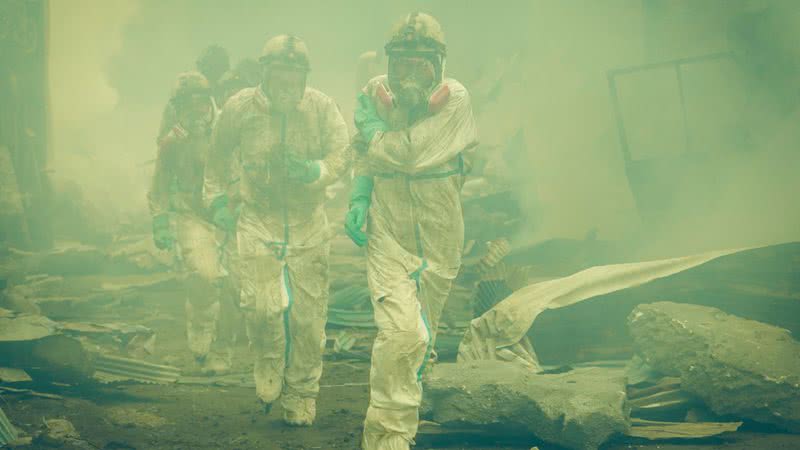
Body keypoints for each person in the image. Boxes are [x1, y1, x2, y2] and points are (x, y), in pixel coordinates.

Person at [344, 12, 478, 449]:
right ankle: (388, 437)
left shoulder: (455, 98)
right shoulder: (374, 93)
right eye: (402, 62)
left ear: (439, 63)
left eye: (422, 63)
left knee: (424, 337)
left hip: (440, 233)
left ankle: (408, 404)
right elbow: (363, 152)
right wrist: (360, 195)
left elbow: (411, 154)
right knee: (402, 334)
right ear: (389, 62)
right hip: (389, 230)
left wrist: (375, 130)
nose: (410, 74)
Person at [204, 34, 350, 426]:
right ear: (263, 73)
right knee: (263, 307)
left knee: (308, 320)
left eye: (294, 74)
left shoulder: (321, 107)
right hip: (258, 219)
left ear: (304, 76)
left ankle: (301, 393)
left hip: (309, 223)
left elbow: (342, 153)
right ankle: (269, 359)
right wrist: (218, 202)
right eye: (278, 73)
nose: (287, 82)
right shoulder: (239, 108)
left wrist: (313, 171)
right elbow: (216, 158)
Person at [148, 71, 233, 374]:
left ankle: (222, 350)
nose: (196, 110)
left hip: (231, 213)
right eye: (187, 103)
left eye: (200, 101)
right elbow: (160, 183)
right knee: (205, 276)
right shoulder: (173, 141)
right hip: (192, 214)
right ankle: (200, 331)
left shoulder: (228, 127)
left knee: (236, 285)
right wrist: (159, 219)